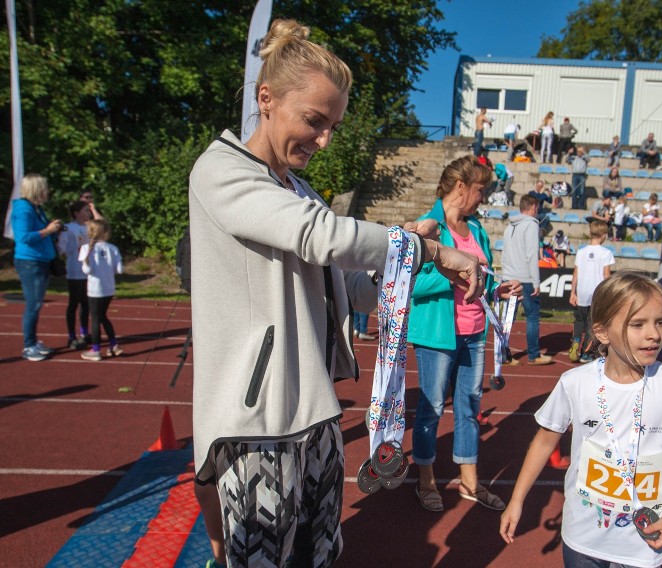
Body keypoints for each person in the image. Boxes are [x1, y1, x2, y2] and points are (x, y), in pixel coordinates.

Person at [188, 19, 483, 568]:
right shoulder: (222, 170)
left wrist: (403, 269)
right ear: (266, 98)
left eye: (333, 127)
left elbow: (346, 290)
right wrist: (430, 251)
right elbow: (320, 238)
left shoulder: (300, 190)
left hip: (316, 411)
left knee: (320, 555)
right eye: (314, 121)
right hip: (261, 422)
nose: (323, 140)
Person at [500, 272, 662, 567]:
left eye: (661, 322)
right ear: (602, 332)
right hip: (583, 538)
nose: (654, 334)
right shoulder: (575, 382)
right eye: (637, 324)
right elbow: (544, 441)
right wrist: (517, 499)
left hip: (644, 543)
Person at [408, 155, 522, 513]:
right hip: (438, 335)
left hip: (475, 332)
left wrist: (497, 291)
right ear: (461, 187)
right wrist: (448, 273)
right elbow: (409, 284)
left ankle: (470, 483)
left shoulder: (477, 231)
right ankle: (425, 481)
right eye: (480, 190)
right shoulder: (427, 228)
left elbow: (480, 279)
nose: (483, 197)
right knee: (430, 411)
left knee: (469, 408)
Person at [11, 174, 63, 362]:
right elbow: (23, 237)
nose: (47, 191)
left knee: (36, 304)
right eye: (44, 188)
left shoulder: (35, 208)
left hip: (40, 260)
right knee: (33, 304)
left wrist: (53, 232)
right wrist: (48, 230)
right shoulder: (24, 210)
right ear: (36, 189)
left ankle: (32, 341)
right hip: (30, 262)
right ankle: (28, 345)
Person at [502, 194, 554, 365]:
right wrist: (536, 282)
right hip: (525, 278)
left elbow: (505, 253)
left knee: (508, 318)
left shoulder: (509, 227)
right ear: (533, 207)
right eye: (537, 207)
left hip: (509, 276)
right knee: (532, 317)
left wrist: (504, 276)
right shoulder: (531, 225)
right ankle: (534, 355)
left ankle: (503, 355)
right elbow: (532, 255)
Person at [569, 220, 614, 363]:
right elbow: (607, 275)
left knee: (579, 320)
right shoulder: (606, 253)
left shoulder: (581, 252)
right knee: (592, 323)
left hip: (582, 291)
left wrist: (572, 292)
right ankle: (586, 352)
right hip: (596, 292)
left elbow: (575, 273)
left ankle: (575, 341)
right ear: (603, 235)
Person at [79, 219, 124, 361]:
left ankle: (96, 349)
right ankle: (113, 345)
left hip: (95, 289)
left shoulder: (86, 248)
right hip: (109, 288)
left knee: (96, 318)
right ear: (106, 232)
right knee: (103, 316)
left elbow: (87, 270)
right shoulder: (113, 248)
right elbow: (120, 270)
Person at [58, 200, 93, 349]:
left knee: (86, 304)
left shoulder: (91, 227)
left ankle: (85, 332)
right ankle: (71, 336)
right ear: (76, 213)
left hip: (89, 271)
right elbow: (61, 247)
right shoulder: (68, 228)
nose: (88, 213)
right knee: (74, 302)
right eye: (85, 210)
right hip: (75, 270)